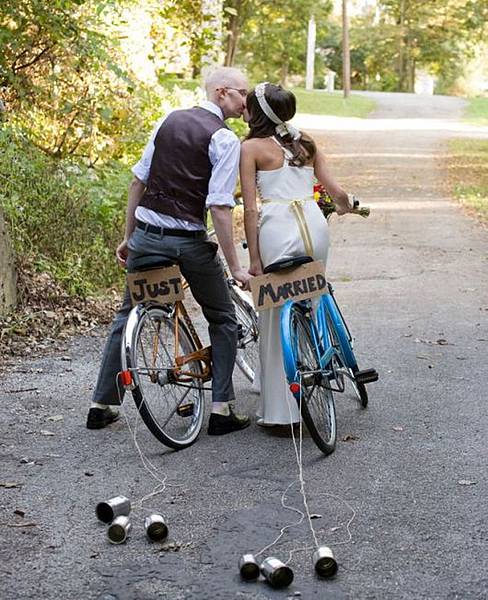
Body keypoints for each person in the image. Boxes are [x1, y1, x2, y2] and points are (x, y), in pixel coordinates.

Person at [86, 66, 252, 436]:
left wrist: (130, 236)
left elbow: (137, 181)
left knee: (126, 315)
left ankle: (101, 405)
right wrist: (237, 266)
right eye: (243, 93)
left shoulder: (168, 120)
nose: (247, 101)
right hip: (189, 241)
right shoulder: (225, 141)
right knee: (223, 318)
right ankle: (222, 408)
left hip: (147, 235)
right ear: (222, 93)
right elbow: (220, 206)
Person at [240, 82, 355, 426]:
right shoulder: (305, 141)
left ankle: (282, 412)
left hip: (278, 229)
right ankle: (320, 367)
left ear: (258, 113)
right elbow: (336, 193)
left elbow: (249, 209)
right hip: (314, 227)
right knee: (314, 298)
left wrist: (255, 261)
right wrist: (346, 205)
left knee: (275, 315)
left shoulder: (251, 148)